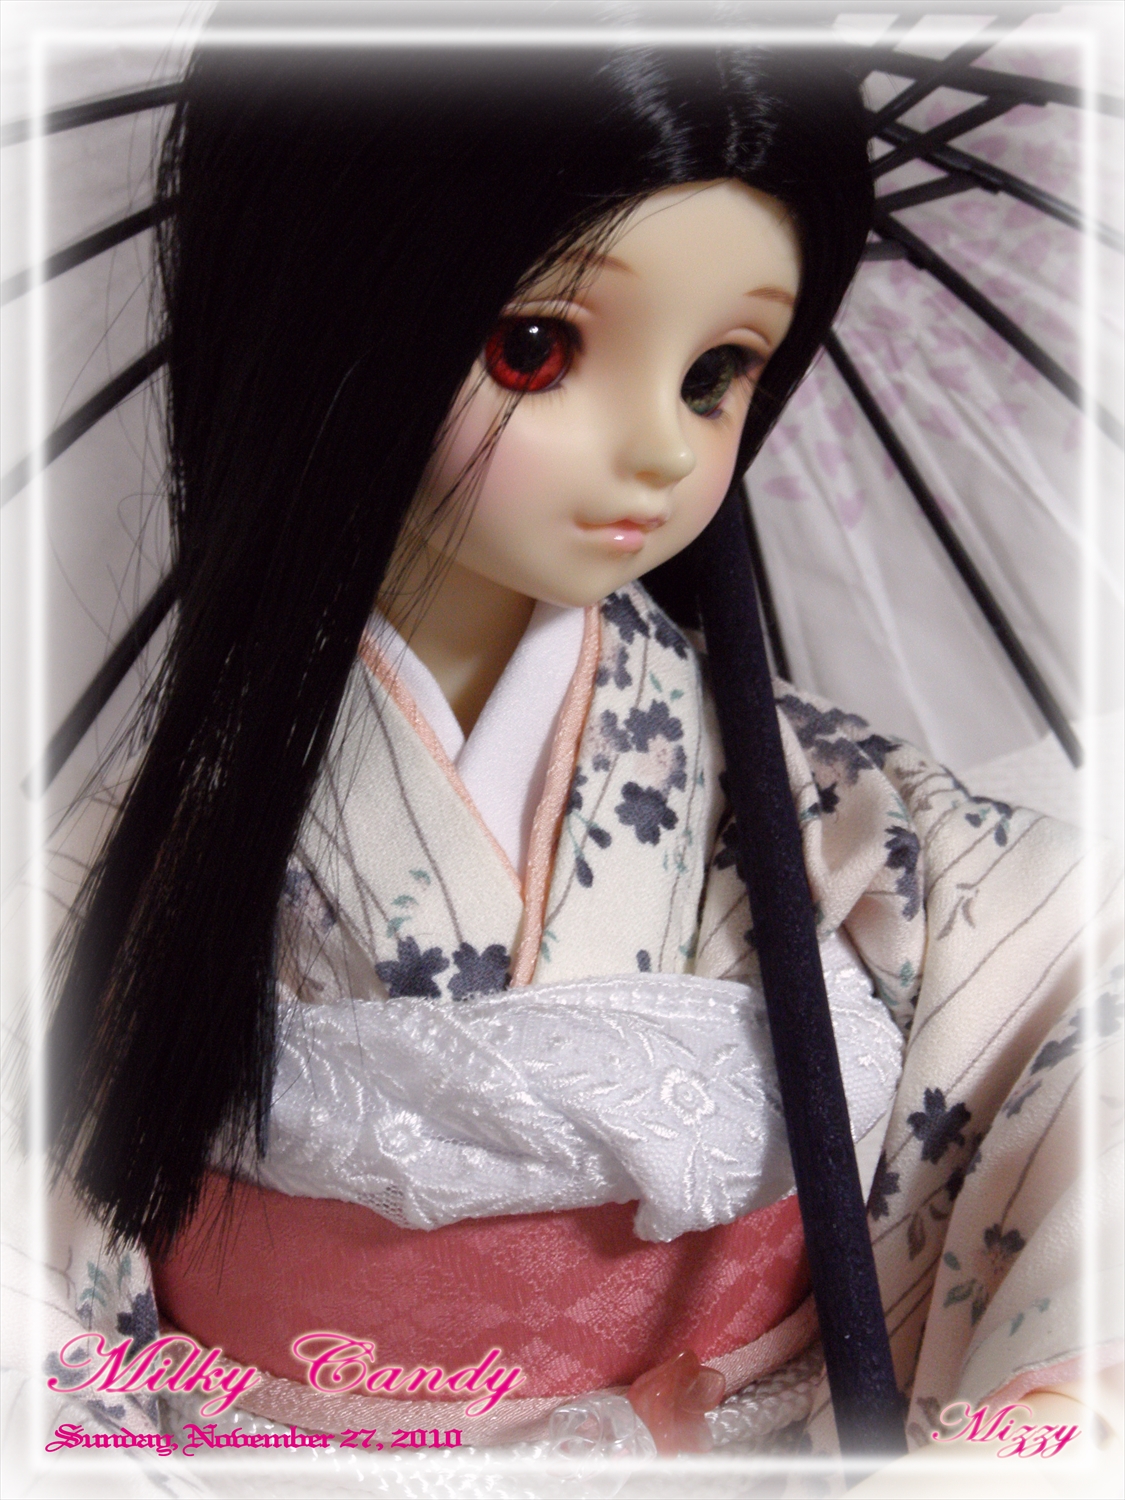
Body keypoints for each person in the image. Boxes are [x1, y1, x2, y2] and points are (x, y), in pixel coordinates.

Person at [36, 19, 1121, 1487]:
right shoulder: (134, 865)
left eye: (715, 370)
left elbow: (1068, 1004)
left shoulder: (836, 824)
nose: (662, 450)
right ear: (330, 326)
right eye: (538, 348)